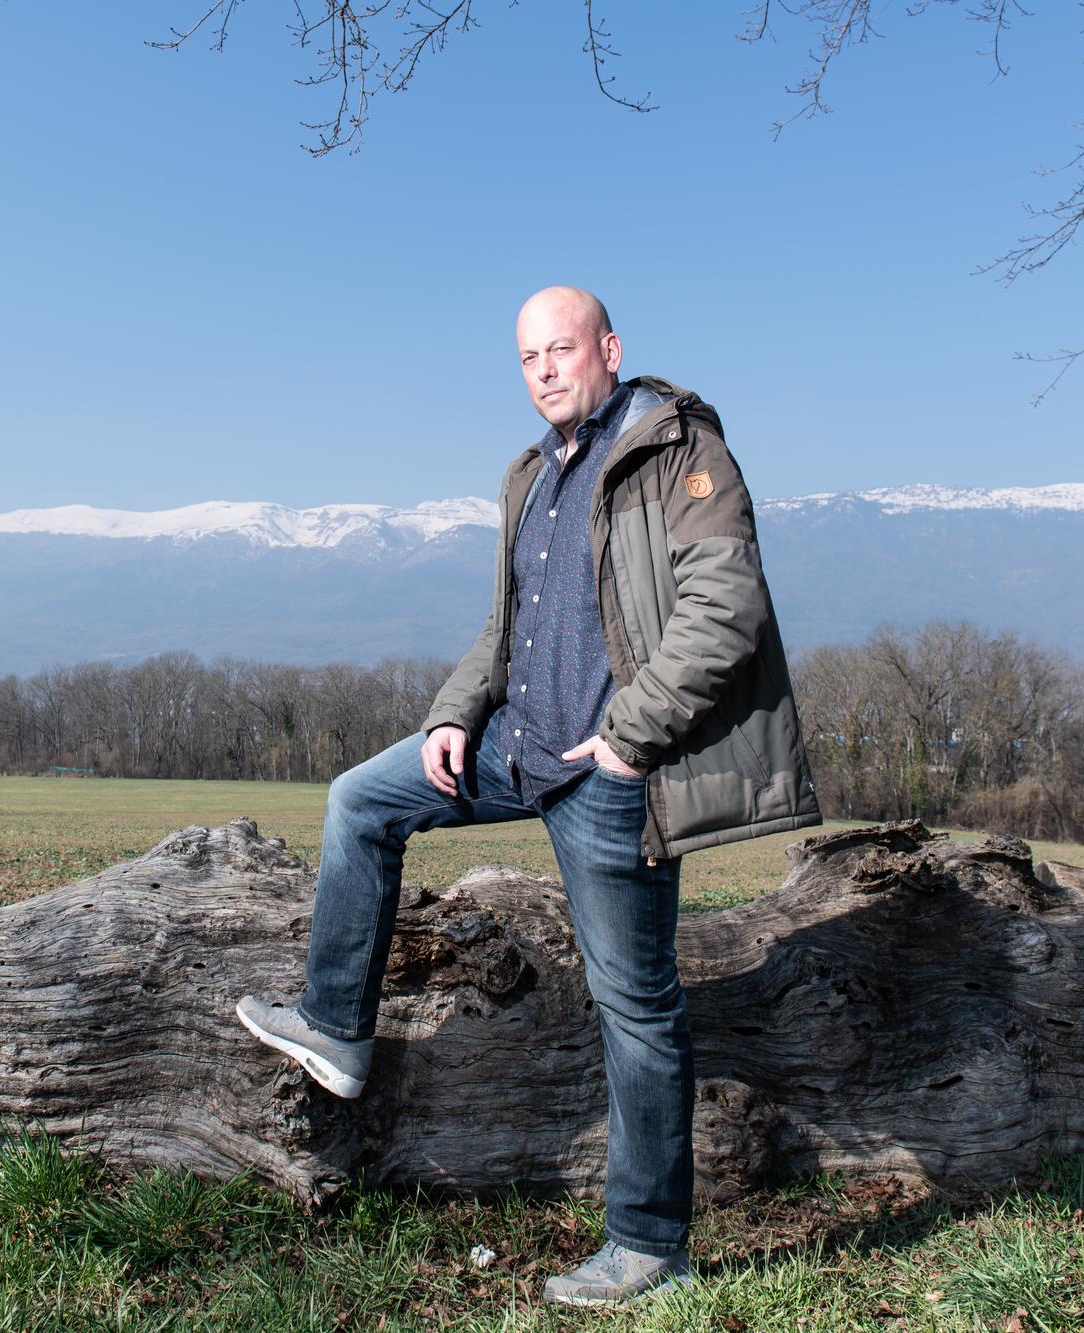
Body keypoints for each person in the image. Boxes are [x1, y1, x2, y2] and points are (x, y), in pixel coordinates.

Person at [237, 285, 820, 1306]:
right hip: (515, 744)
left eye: (561, 348)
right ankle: (335, 1028)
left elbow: (725, 611)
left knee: (634, 1006)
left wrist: (631, 741)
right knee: (360, 801)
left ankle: (648, 1248)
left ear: (609, 347)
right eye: (526, 357)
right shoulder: (530, 472)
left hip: (607, 769)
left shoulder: (678, 452)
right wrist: (454, 714)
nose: (544, 369)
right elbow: (507, 627)